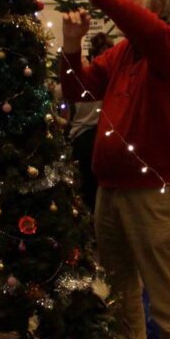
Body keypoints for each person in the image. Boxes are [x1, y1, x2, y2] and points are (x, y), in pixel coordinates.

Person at [56, 0, 170, 339]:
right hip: (111, 190)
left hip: (152, 194)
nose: (120, 6)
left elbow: (140, 25)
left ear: (157, 8)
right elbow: (79, 92)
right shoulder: (123, 54)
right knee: (119, 298)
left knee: (168, 301)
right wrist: (70, 46)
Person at [68, 32, 115, 212]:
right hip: (103, 138)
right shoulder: (111, 80)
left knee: (87, 192)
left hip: (82, 138)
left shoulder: (85, 79)